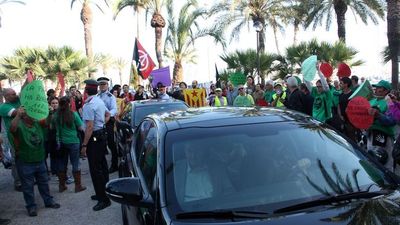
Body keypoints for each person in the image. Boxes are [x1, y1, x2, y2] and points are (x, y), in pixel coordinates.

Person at [10, 107, 60, 217]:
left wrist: (50, 112)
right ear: (25, 116)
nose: (34, 116)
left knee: (44, 183)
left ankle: (48, 201)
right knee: (27, 187)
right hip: (25, 162)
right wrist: (18, 115)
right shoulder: (19, 125)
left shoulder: (38, 123)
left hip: (40, 160)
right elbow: (12, 128)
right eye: (31, 114)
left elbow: (47, 122)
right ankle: (31, 207)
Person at [81, 79, 111, 211]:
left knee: (95, 170)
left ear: (86, 91)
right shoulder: (99, 101)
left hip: (94, 139)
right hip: (101, 136)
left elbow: (89, 127)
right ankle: (105, 192)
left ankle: (103, 199)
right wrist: (102, 124)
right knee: (102, 166)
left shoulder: (89, 105)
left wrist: (84, 145)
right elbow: (108, 114)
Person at [52, 96, 86, 193]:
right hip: (73, 141)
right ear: (69, 104)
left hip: (61, 142)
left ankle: (62, 186)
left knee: (62, 163)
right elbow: (81, 128)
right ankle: (78, 186)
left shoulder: (56, 116)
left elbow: (52, 127)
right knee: (75, 163)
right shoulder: (73, 114)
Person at [367, 80, 395, 171]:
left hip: (384, 138)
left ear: (386, 91)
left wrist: (378, 115)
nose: (376, 89)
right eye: (376, 87)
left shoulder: (390, 102)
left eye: (379, 87)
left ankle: (388, 184)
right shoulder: (371, 101)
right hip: (371, 135)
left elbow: (392, 121)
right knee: (372, 162)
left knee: (385, 163)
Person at [0, 88, 22, 191]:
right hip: (14, 138)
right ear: (6, 97)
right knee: (16, 160)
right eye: (13, 94)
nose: (16, 95)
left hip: (24, 135)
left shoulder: (18, 100)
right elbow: (17, 113)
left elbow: (24, 91)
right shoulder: (4, 107)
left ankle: (26, 179)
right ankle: (18, 182)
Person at [96, 77, 118, 173]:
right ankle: (101, 165)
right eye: (101, 84)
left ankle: (114, 165)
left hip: (108, 122)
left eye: (104, 84)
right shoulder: (97, 96)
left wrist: (107, 115)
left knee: (111, 143)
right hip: (99, 122)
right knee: (99, 143)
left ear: (107, 85)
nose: (102, 86)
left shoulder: (111, 97)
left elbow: (114, 109)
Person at [337, 77, 357, 141]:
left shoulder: (353, 95)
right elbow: (339, 106)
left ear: (346, 84)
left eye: (341, 83)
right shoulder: (341, 95)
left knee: (352, 140)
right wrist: (340, 116)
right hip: (343, 121)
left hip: (351, 123)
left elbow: (356, 108)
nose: (339, 84)